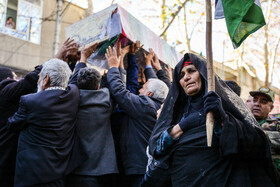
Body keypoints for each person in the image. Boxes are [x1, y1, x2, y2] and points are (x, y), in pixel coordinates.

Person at [142, 53, 280, 186]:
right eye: (182, 75)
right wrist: (183, 126)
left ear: (203, 74)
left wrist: (222, 118)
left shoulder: (223, 109)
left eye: (191, 71)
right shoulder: (176, 114)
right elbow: (157, 149)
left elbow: (254, 144)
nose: (186, 77)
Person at [7, 58, 88, 186]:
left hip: (32, 175)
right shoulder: (73, 94)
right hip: (59, 174)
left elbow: (12, 124)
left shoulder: (30, 101)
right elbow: (74, 79)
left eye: (39, 77)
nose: (38, 81)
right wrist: (82, 59)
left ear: (46, 79)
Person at [105, 46, 169, 187]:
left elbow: (120, 92)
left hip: (139, 169)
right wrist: (148, 65)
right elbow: (158, 86)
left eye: (143, 87)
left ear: (149, 94)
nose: (140, 89)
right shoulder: (160, 105)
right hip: (146, 166)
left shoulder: (145, 105)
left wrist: (113, 67)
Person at [65, 43, 119, 187]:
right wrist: (115, 65)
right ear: (98, 86)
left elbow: (72, 84)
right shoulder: (107, 100)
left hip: (76, 169)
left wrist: (83, 57)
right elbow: (119, 89)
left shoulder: (70, 101)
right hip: (104, 169)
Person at [0, 66, 41, 186]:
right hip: (5, 162)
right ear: (8, 80)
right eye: (14, 78)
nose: (17, 81)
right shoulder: (6, 91)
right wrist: (57, 57)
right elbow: (30, 81)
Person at [249, 87, 280, 171]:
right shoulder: (241, 122)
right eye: (255, 100)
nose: (257, 104)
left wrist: (265, 134)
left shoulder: (276, 124)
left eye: (263, 102)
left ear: (271, 108)